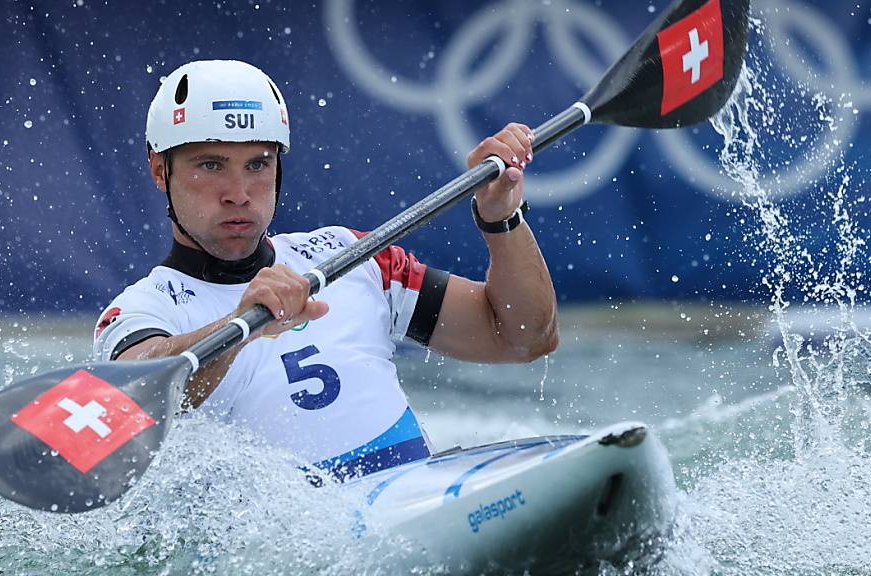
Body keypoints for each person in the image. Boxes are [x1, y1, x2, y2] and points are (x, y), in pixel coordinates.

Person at [93, 60, 558, 480]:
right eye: (211, 165)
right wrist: (243, 324)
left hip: (414, 500)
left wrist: (501, 217)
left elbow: (523, 337)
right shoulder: (138, 311)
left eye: (258, 164)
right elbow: (138, 394)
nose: (239, 192)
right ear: (160, 171)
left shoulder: (349, 254)